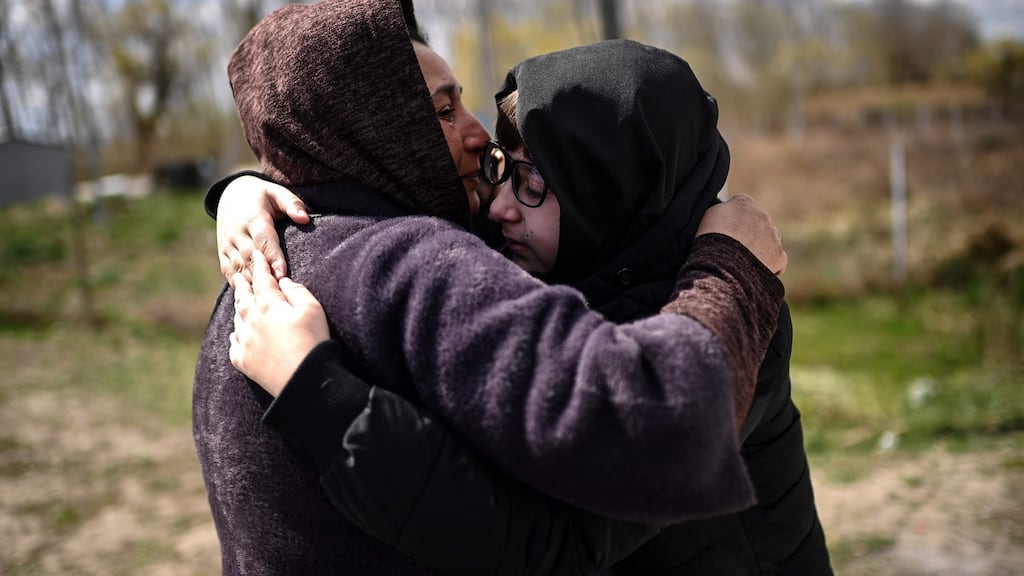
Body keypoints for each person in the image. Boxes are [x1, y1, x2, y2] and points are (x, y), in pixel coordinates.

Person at [194, 1, 788, 575]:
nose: (480, 139)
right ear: (373, 126)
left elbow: (576, 511)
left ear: (607, 191)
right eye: (444, 110)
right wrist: (243, 188)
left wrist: (729, 265)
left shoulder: (263, 270)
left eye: (532, 179)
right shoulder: (414, 264)